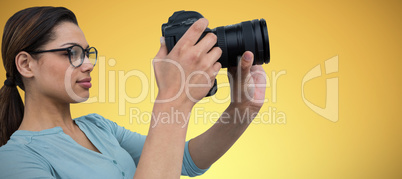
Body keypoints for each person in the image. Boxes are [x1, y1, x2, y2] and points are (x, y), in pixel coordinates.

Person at [0, 6, 267, 179]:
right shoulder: (14, 161)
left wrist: (242, 109)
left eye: (88, 53)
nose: (90, 63)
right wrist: (173, 97)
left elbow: (183, 159)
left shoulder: (98, 127)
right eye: (73, 53)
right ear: (26, 64)